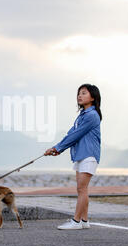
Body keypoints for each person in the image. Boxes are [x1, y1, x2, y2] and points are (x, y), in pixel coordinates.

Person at [44, 84, 102, 230]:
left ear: (93, 97)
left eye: (84, 93)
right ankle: (84, 220)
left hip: (89, 155)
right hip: (81, 155)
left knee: (82, 189)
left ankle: (75, 221)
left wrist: (58, 148)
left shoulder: (92, 116)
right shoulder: (82, 115)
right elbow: (70, 134)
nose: (79, 96)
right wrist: (56, 149)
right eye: (79, 93)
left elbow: (76, 135)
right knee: (82, 189)